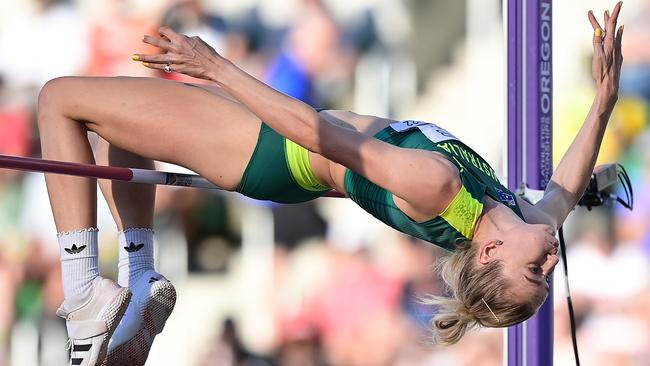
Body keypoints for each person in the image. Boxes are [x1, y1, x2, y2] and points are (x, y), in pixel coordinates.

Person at [36, 2, 623, 365]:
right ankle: (139, 278)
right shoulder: (518, 217)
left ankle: (85, 293)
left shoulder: (437, 185)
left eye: (534, 273)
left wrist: (217, 67)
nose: (550, 258)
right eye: (547, 275)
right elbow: (565, 191)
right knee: (121, 130)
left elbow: (318, 133)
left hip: (269, 146)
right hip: (278, 147)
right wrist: (604, 100)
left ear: (491, 252)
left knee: (60, 100)